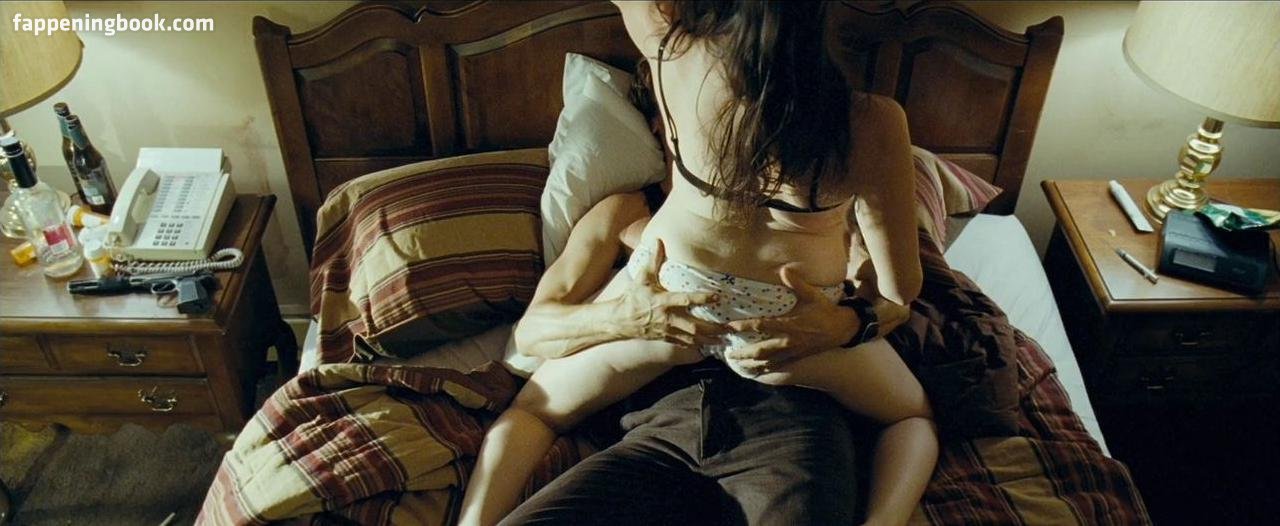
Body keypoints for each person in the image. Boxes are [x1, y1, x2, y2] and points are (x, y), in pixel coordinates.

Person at [460, 2, 936, 525]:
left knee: (531, 407)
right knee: (913, 414)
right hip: (785, 325)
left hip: (683, 297)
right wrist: (851, 319)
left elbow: (532, 380)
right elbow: (900, 290)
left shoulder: (673, 55)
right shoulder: (871, 121)